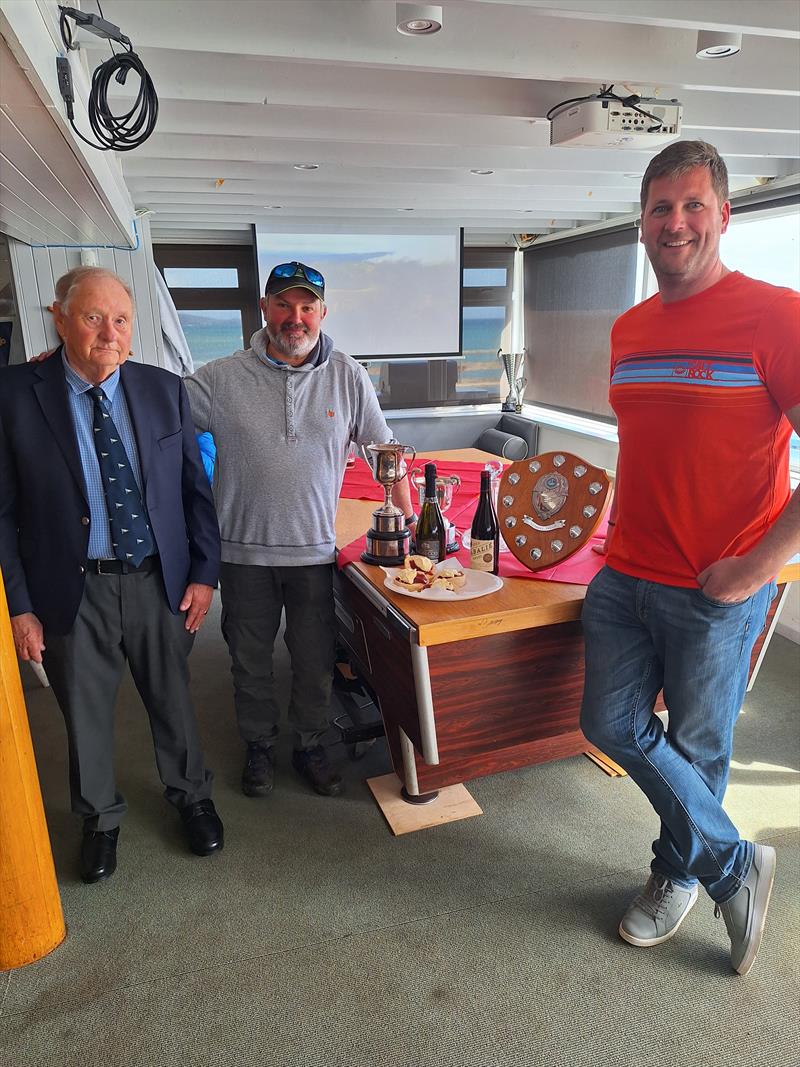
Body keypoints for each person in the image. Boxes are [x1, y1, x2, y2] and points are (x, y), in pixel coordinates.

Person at [580, 140, 800, 975]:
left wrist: (755, 567)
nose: (675, 222)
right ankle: (736, 864)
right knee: (609, 724)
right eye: (660, 207)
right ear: (640, 221)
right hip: (624, 572)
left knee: (699, 747)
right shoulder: (629, 328)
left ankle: (675, 872)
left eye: (692, 205)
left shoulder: (776, 315)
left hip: (717, 585)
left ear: (723, 214)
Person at [0, 266, 224, 884]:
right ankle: (99, 820)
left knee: (173, 698)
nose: (109, 332)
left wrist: (205, 574)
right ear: (60, 318)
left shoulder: (162, 389)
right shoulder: (16, 393)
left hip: (158, 581)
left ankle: (191, 796)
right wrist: (19, 606)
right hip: (72, 587)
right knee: (85, 711)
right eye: (94, 317)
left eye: (120, 319)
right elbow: (4, 511)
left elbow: (192, 491)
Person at [185, 261, 413, 799]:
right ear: (264, 309)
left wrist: (424, 529)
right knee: (249, 660)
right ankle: (259, 746)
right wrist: (67, 367)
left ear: (322, 313)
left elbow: (387, 454)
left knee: (313, 664)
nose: (296, 318)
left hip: (313, 554)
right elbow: (155, 413)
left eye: (307, 307)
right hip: (242, 555)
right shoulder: (219, 378)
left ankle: (310, 744)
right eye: (284, 305)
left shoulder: (348, 376)